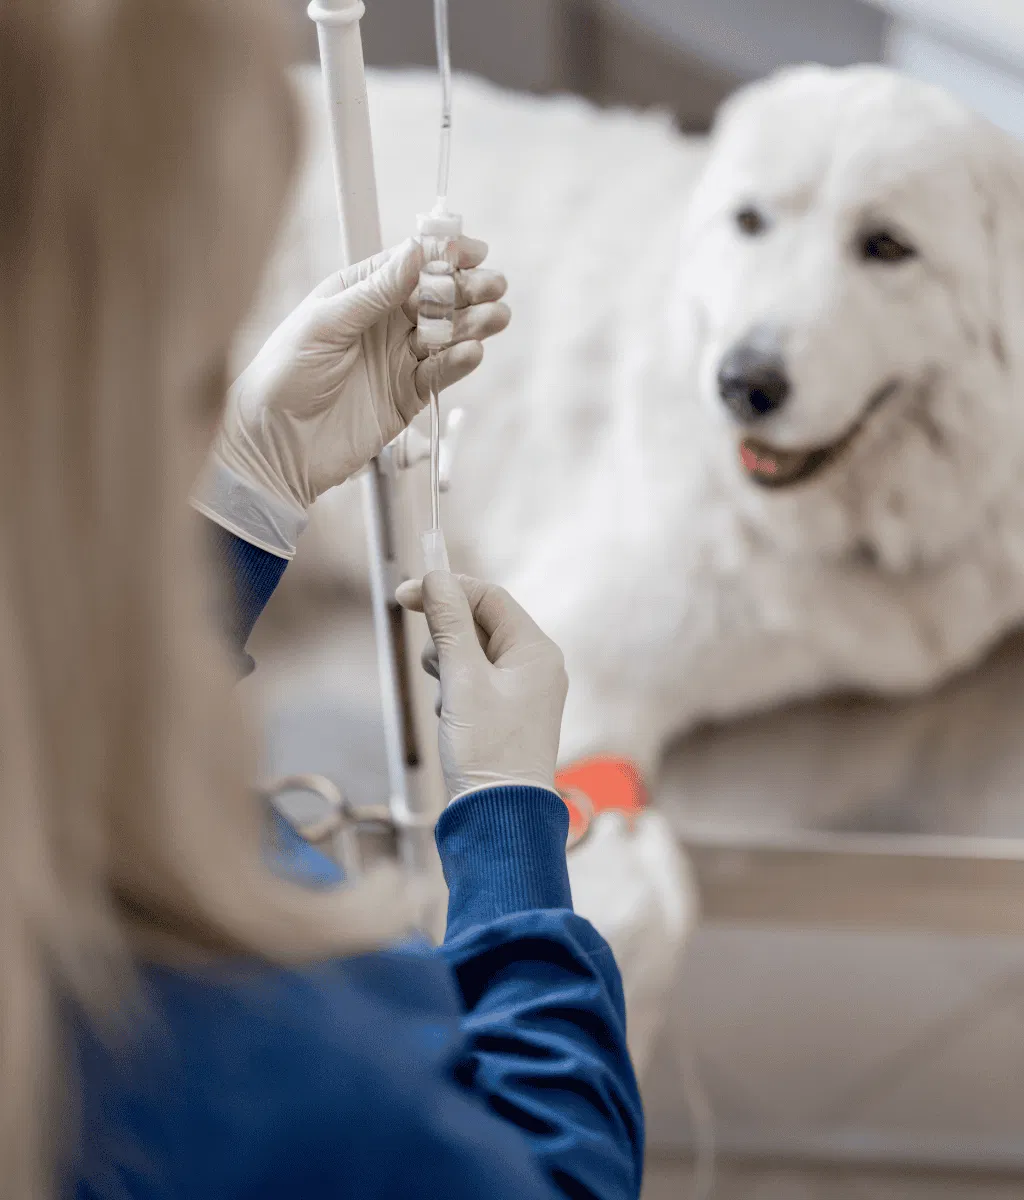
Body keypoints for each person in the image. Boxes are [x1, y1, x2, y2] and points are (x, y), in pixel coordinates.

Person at [0, 1, 643, 1198]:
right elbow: (552, 1179)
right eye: (195, 372)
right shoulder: (249, 1053)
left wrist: (249, 485)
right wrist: (510, 822)